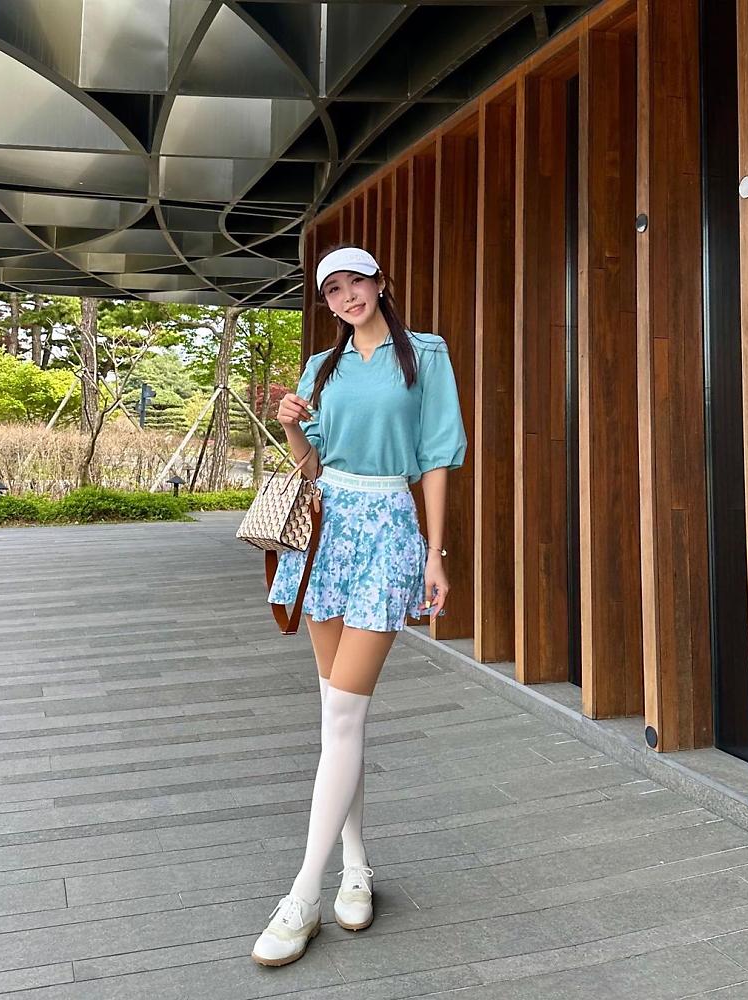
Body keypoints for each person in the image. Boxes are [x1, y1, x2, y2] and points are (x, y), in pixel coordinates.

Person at [250, 244, 467, 966]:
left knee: (344, 715)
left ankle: (302, 894)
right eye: (332, 290)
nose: (347, 297)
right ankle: (355, 867)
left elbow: (437, 456)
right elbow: (312, 464)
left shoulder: (425, 354)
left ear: (380, 282)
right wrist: (290, 424)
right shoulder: (322, 367)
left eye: (356, 282)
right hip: (326, 533)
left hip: (388, 530)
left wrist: (434, 552)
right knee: (338, 718)